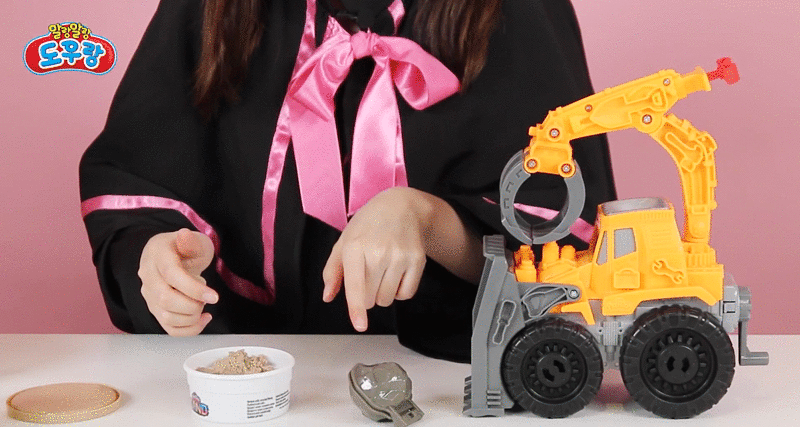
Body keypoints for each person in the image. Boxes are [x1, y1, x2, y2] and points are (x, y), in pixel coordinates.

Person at [79, 0, 616, 363]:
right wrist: (154, 256)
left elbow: (559, 246)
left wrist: (424, 218)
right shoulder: (216, 8)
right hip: (250, 381)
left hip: (451, 382)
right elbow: (134, 179)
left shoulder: (517, 10)